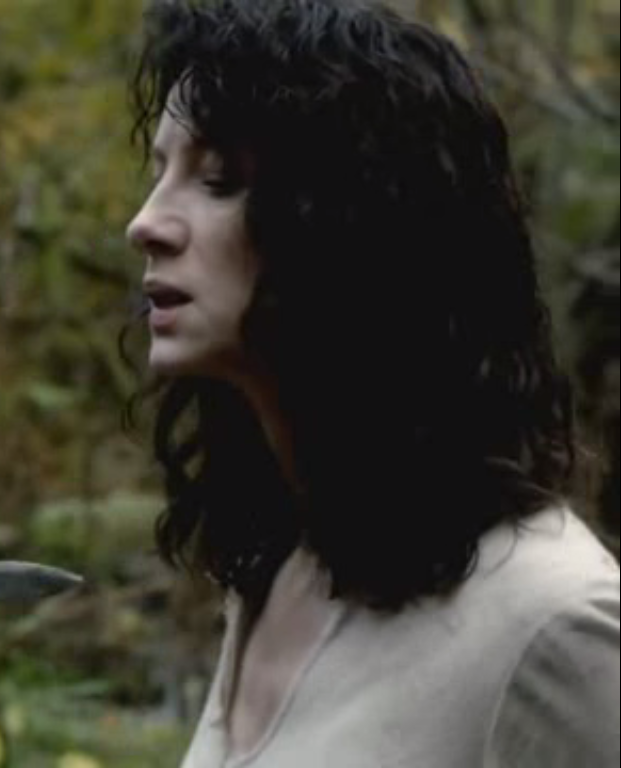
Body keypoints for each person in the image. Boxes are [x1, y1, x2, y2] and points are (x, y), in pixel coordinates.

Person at [122, 0, 620, 765]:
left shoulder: (551, 624)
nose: (146, 223)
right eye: (162, 174)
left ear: (350, 223)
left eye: (219, 180)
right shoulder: (275, 565)